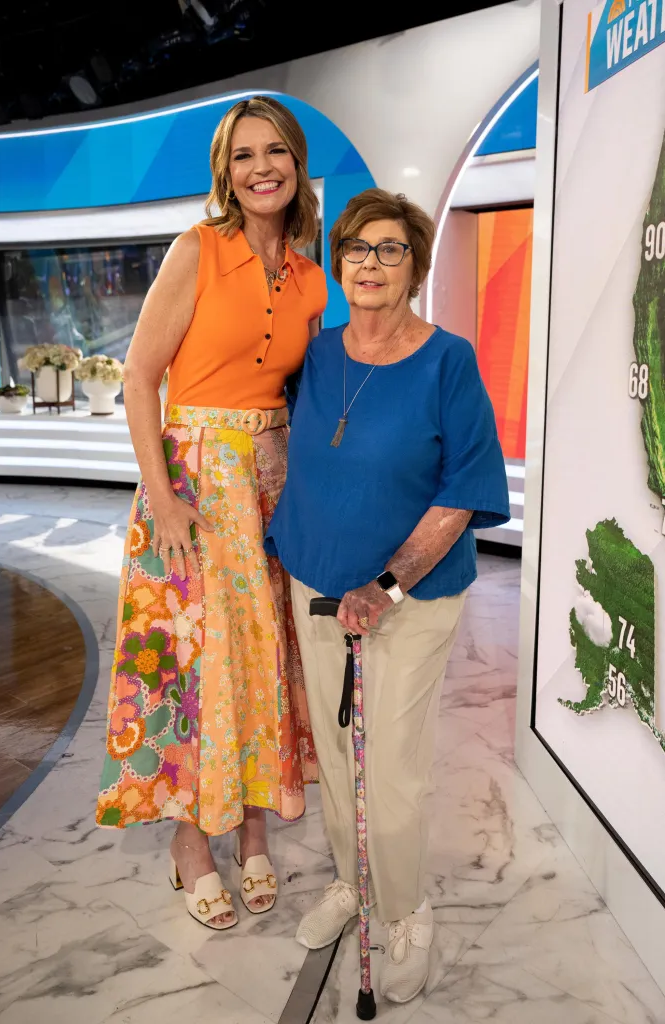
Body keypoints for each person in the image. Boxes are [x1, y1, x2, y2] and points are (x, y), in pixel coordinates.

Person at [266, 188, 510, 1002]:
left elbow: (463, 487)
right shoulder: (320, 354)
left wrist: (386, 583)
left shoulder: (448, 359)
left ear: (414, 267)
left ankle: (405, 911)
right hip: (314, 582)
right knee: (334, 757)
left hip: (408, 598)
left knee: (392, 768)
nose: (369, 264)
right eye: (357, 250)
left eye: (389, 250)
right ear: (339, 264)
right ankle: (351, 881)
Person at [96, 96, 325, 930]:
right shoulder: (198, 249)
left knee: (267, 659)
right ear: (224, 173)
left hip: (272, 481)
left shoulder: (310, 275)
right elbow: (138, 376)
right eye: (242, 155)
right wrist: (162, 498)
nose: (261, 168)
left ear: (296, 164)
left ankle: (253, 828)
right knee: (199, 668)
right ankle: (192, 845)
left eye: (276, 152)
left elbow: (296, 392)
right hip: (194, 482)